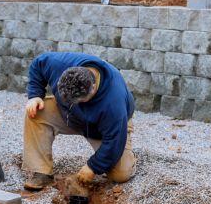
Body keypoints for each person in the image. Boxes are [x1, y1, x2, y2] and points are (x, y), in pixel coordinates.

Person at [22, 51, 136, 191]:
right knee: (36, 112)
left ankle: (130, 158)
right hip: (68, 115)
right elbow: (38, 63)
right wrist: (35, 95)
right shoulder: (58, 64)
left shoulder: (113, 103)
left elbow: (114, 140)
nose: (72, 103)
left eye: (78, 101)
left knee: (121, 174)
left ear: (93, 87)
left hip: (101, 127)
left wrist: (93, 166)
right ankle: (41, 171)